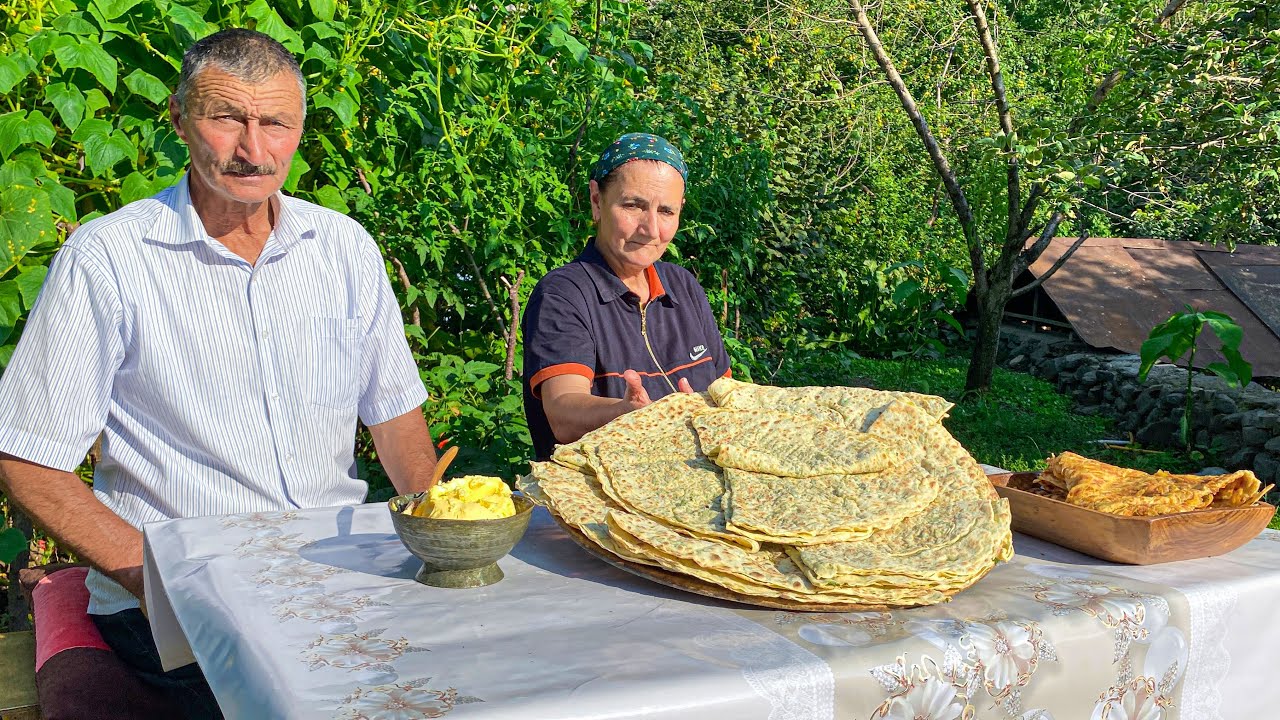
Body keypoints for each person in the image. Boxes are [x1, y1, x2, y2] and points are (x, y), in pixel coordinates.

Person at [0, 29, 437, 718]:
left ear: (299, 128)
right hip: (177, 602)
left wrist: (440, 524)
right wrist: (162, 580)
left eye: (275, 124)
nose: (253, 150)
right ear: (178, 118)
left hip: (335, 575)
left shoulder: (344, 249)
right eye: (226, 117)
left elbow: (396, 417)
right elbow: (27, 458)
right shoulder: (109, 259)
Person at [522, 133, 731, 460]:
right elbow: (563, 412)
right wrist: (629, 412)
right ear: (596, 201)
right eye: (633, 205)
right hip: (598, 497)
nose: (651, 229)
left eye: (666, 211)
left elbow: (727, 397)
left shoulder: (684, 286)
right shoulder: (565, 293)